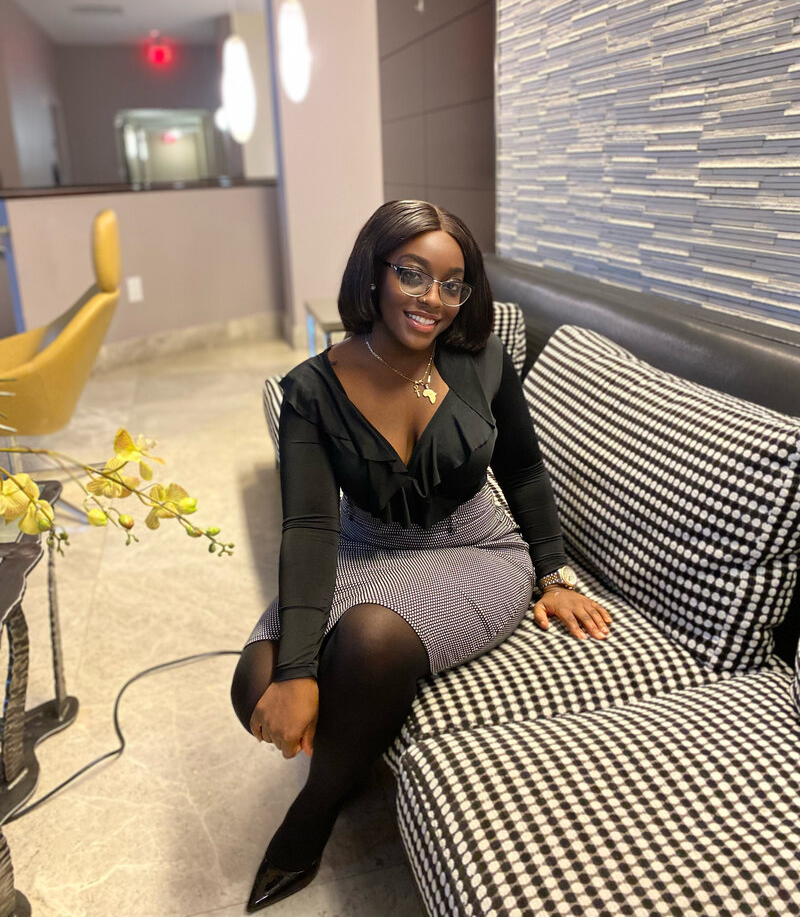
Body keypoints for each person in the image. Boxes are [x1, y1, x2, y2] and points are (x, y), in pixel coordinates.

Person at [231, 200, 613, 911]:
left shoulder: (483, 361)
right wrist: (296, 670)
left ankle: (313, 813)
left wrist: (554, 572)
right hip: (363, 545)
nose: (432, 298)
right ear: (374, 272)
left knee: (370, 639)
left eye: (451, 283)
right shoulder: (311, 389)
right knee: (255, 682)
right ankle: (348, 758)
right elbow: (310, 526)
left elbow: (524, 471)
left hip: (476, 547)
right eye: (412, 273)